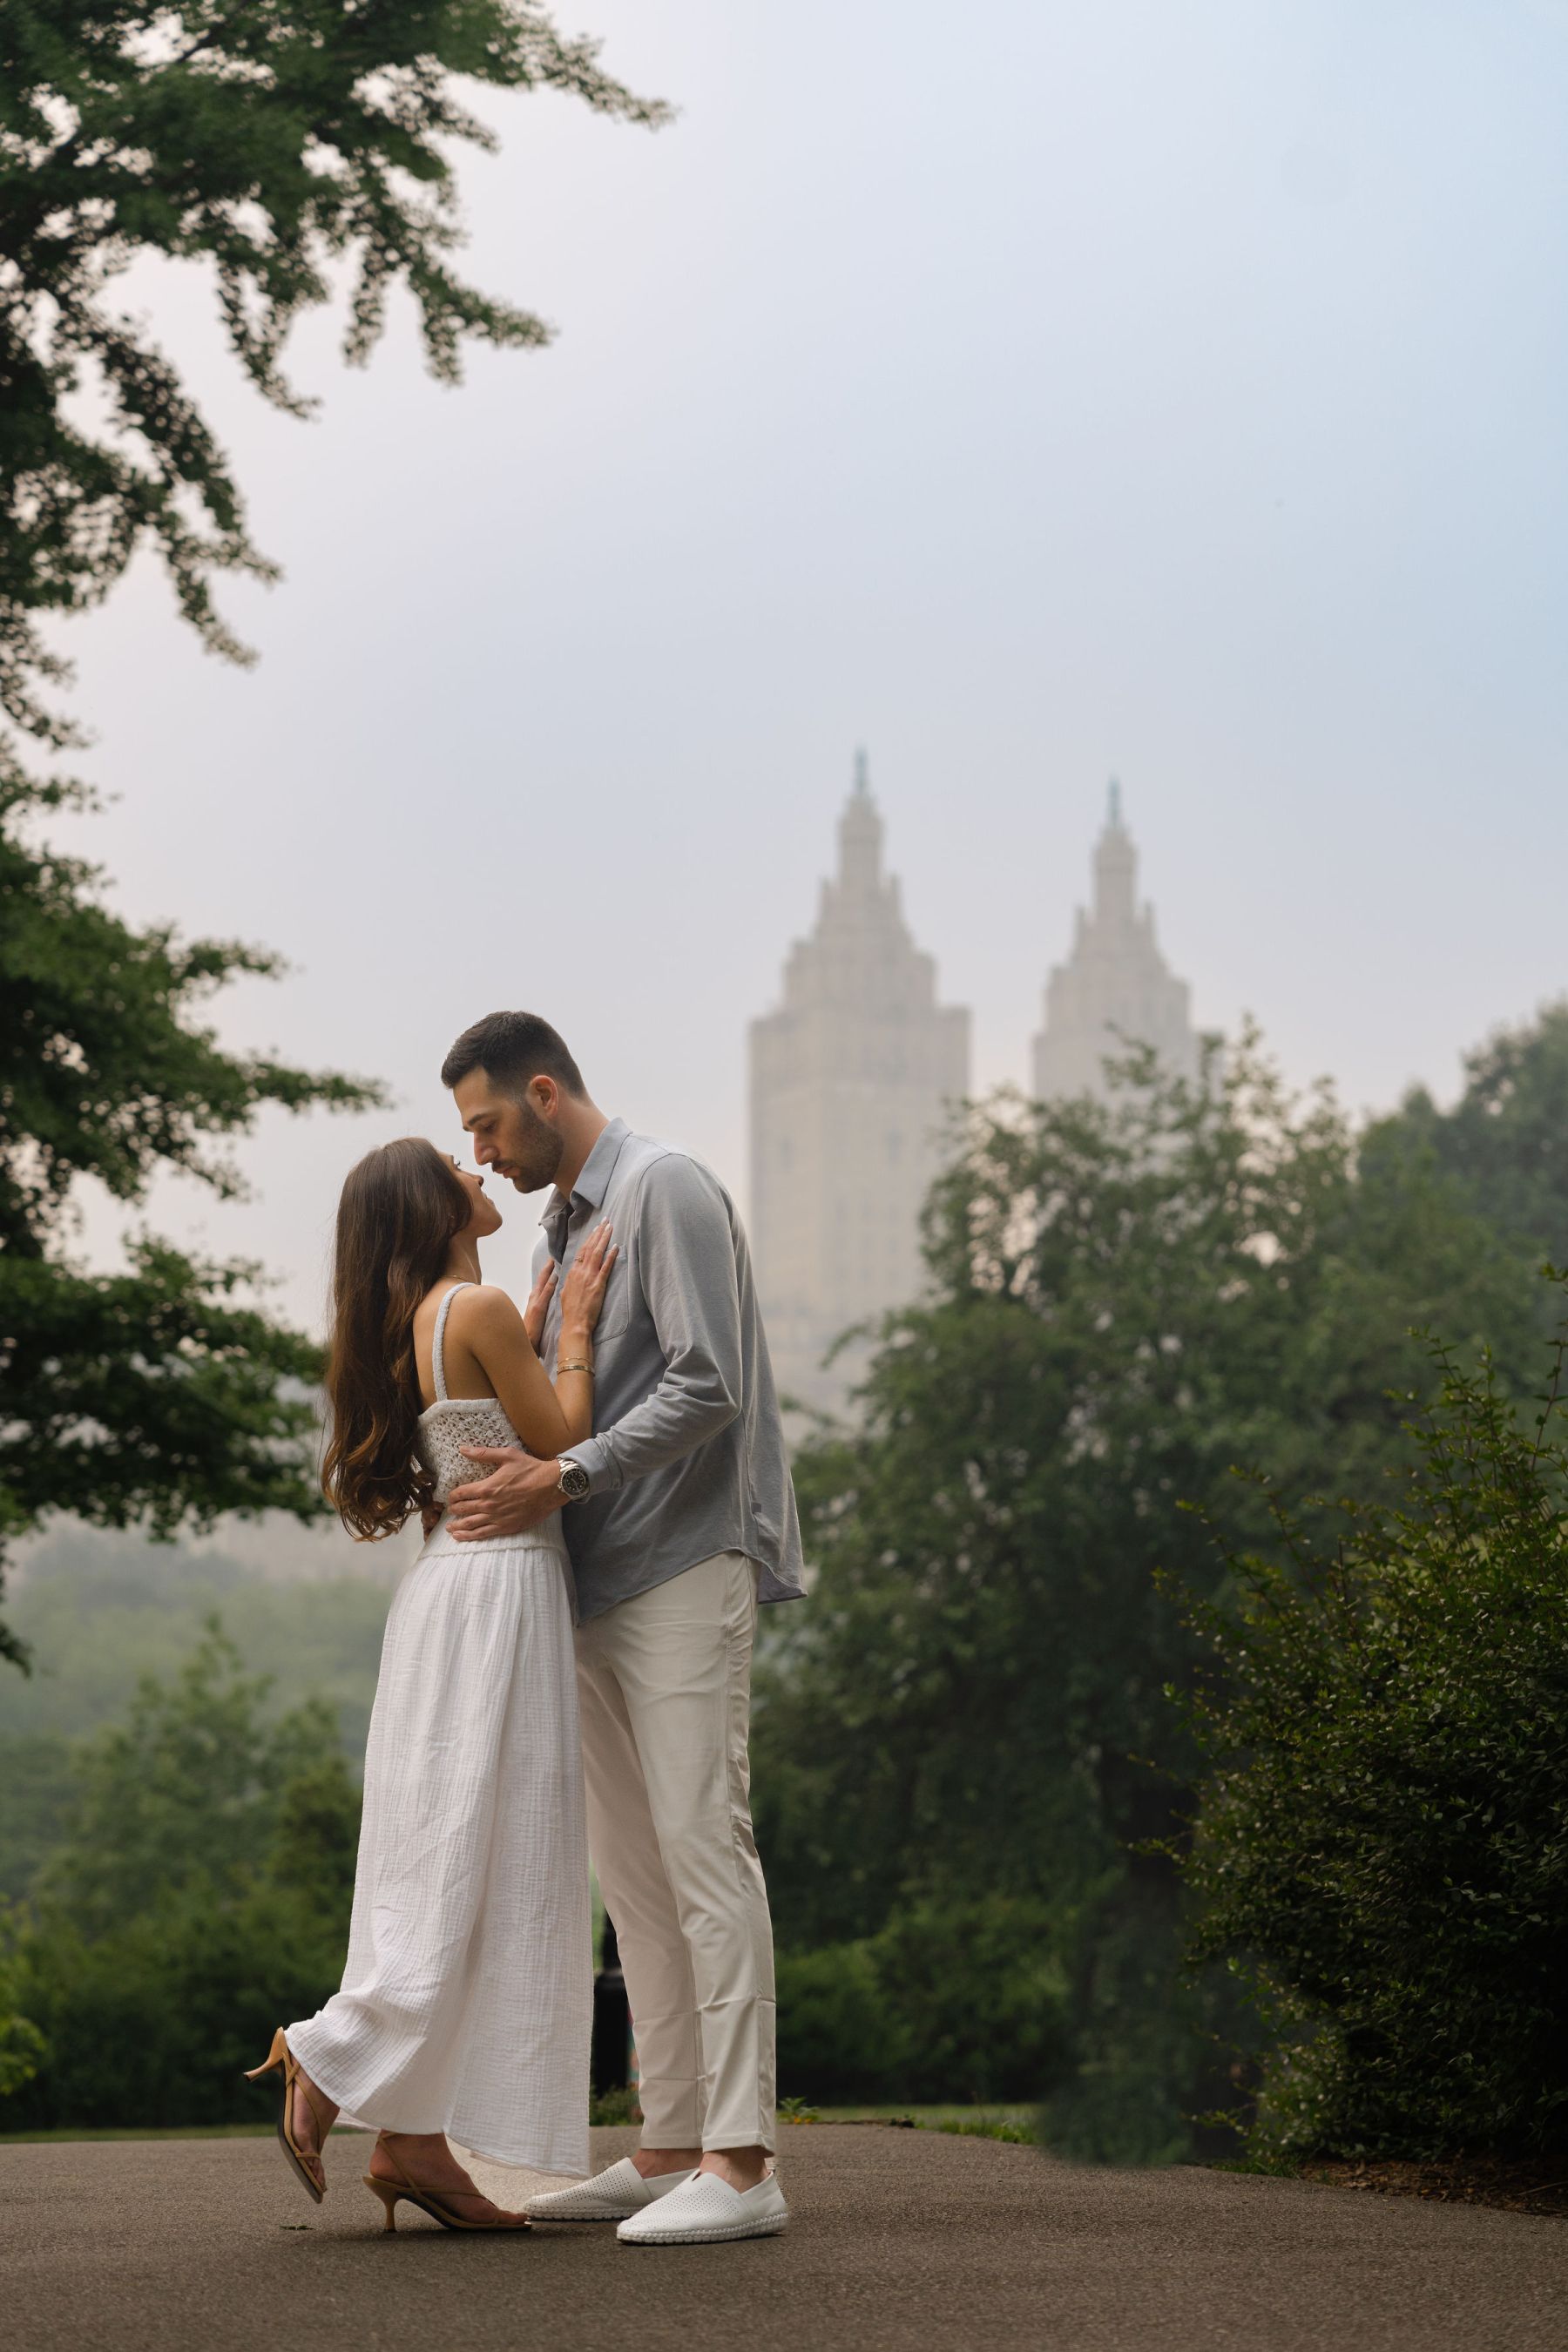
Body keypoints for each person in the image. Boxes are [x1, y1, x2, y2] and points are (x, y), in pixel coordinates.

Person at [439, 1010, 805, 2247]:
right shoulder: (564, 1227)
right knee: (638, 1885)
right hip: (587, 1581)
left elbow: (714, 1384)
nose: (482, 1155)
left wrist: (565, 1477)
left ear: (545, 1092)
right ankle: (664, 2150)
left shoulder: (665, 1191)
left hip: (681, 1568)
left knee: (707, 1852)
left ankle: (744, 2168)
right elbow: (555, 1413)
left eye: (488, 1124)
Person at [245, 1138, 617, 2232]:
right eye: (454, 1165)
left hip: (452, 1595)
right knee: (492, 1852)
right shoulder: (477, 1311)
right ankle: (333, 2056)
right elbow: (565, 1443)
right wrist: (579, 1329)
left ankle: (413, 2141)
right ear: (428, 1207)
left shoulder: (432, 1318)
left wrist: (537, 1320)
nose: (477, 1168)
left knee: (460, 1851)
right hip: (500, 1594)